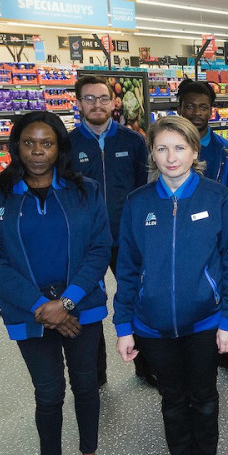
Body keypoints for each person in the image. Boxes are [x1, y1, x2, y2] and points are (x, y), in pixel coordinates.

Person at [0, 111, 111, 455]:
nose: (37, 151)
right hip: (26, 312)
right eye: (29, 142)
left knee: (86, 386)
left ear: (59, 148)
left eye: (47, 143)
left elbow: (99, 248)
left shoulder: (85, 191)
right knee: (48, 392)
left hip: (80, 307)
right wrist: (40, 306)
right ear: (15, 146)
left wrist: (66, 302)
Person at [113, 115, 228, 455]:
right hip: (152, 325)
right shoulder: (137, 203)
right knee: (171, 399)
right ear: (151, 152)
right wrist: (123, 325)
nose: (171, 157)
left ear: (194, 151)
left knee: (203, 396)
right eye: (162, 148)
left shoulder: (217, 198)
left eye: (180, 147)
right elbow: (127, 269)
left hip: (204, 321)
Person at [68, 74, 153, 387]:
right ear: (78, 104)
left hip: (126, 237)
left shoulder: (132, 141)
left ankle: (145, 366)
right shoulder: (68, 143)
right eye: (89, 98)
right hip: (85, 242)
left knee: (135, 298)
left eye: (103, 98)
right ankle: (96, 373)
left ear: (114, 102)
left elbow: (144, 189)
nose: (97, 104)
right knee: (88, 305)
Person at [177, 78, 228, 380]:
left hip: (217, 231)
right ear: (179, 108)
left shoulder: (226, 150)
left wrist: (226, 228)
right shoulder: (169, 145)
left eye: (203, 107)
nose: (196, 112)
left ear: (212, 111)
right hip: (178, 233)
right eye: (190, 106)